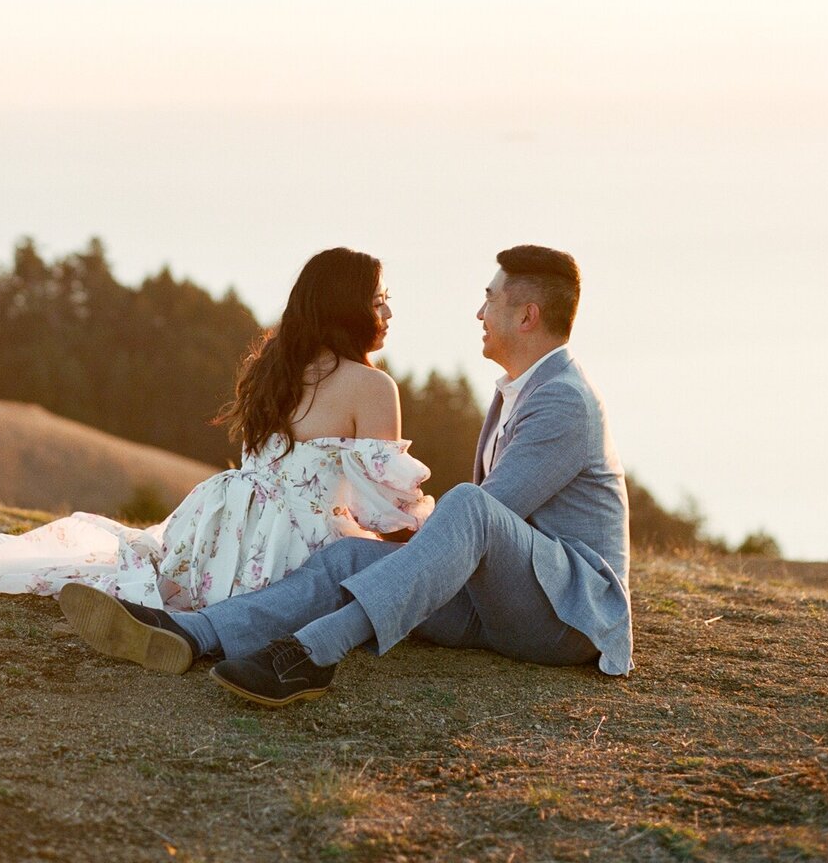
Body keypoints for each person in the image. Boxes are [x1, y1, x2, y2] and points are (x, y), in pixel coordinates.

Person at [58, 244, 632, 699]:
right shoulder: (519, 390)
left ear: (526, 315)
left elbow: (492, 513)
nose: (479, 312)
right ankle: (190, 633)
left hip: (567, 615)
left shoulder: (562, 399)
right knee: (345, 557)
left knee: (469, 503)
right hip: (502, 601)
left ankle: (311, 654)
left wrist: (418, 543)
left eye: (490, 300)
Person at [0, 248, 433, 612]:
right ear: (348, 308)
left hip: (224, 524)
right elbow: (388, 508)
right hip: (291, 543)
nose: (388, 311)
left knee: (161, 583)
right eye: (379, 299)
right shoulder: (372, 386)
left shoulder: (275, 367)